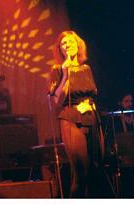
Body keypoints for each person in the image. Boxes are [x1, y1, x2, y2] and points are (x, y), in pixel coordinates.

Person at [48, 31, 104, 197]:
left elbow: (93, 91)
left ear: (78, 45)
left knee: (96, 168)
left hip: (91, 117)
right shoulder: (57, 70)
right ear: (60, 49)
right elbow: (58, 100)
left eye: (70, 42)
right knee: (81, 172)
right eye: (63, 44)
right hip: (70, 118)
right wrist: (66, 75)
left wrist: (88, 104)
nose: (67, 45)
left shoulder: (86, 68)